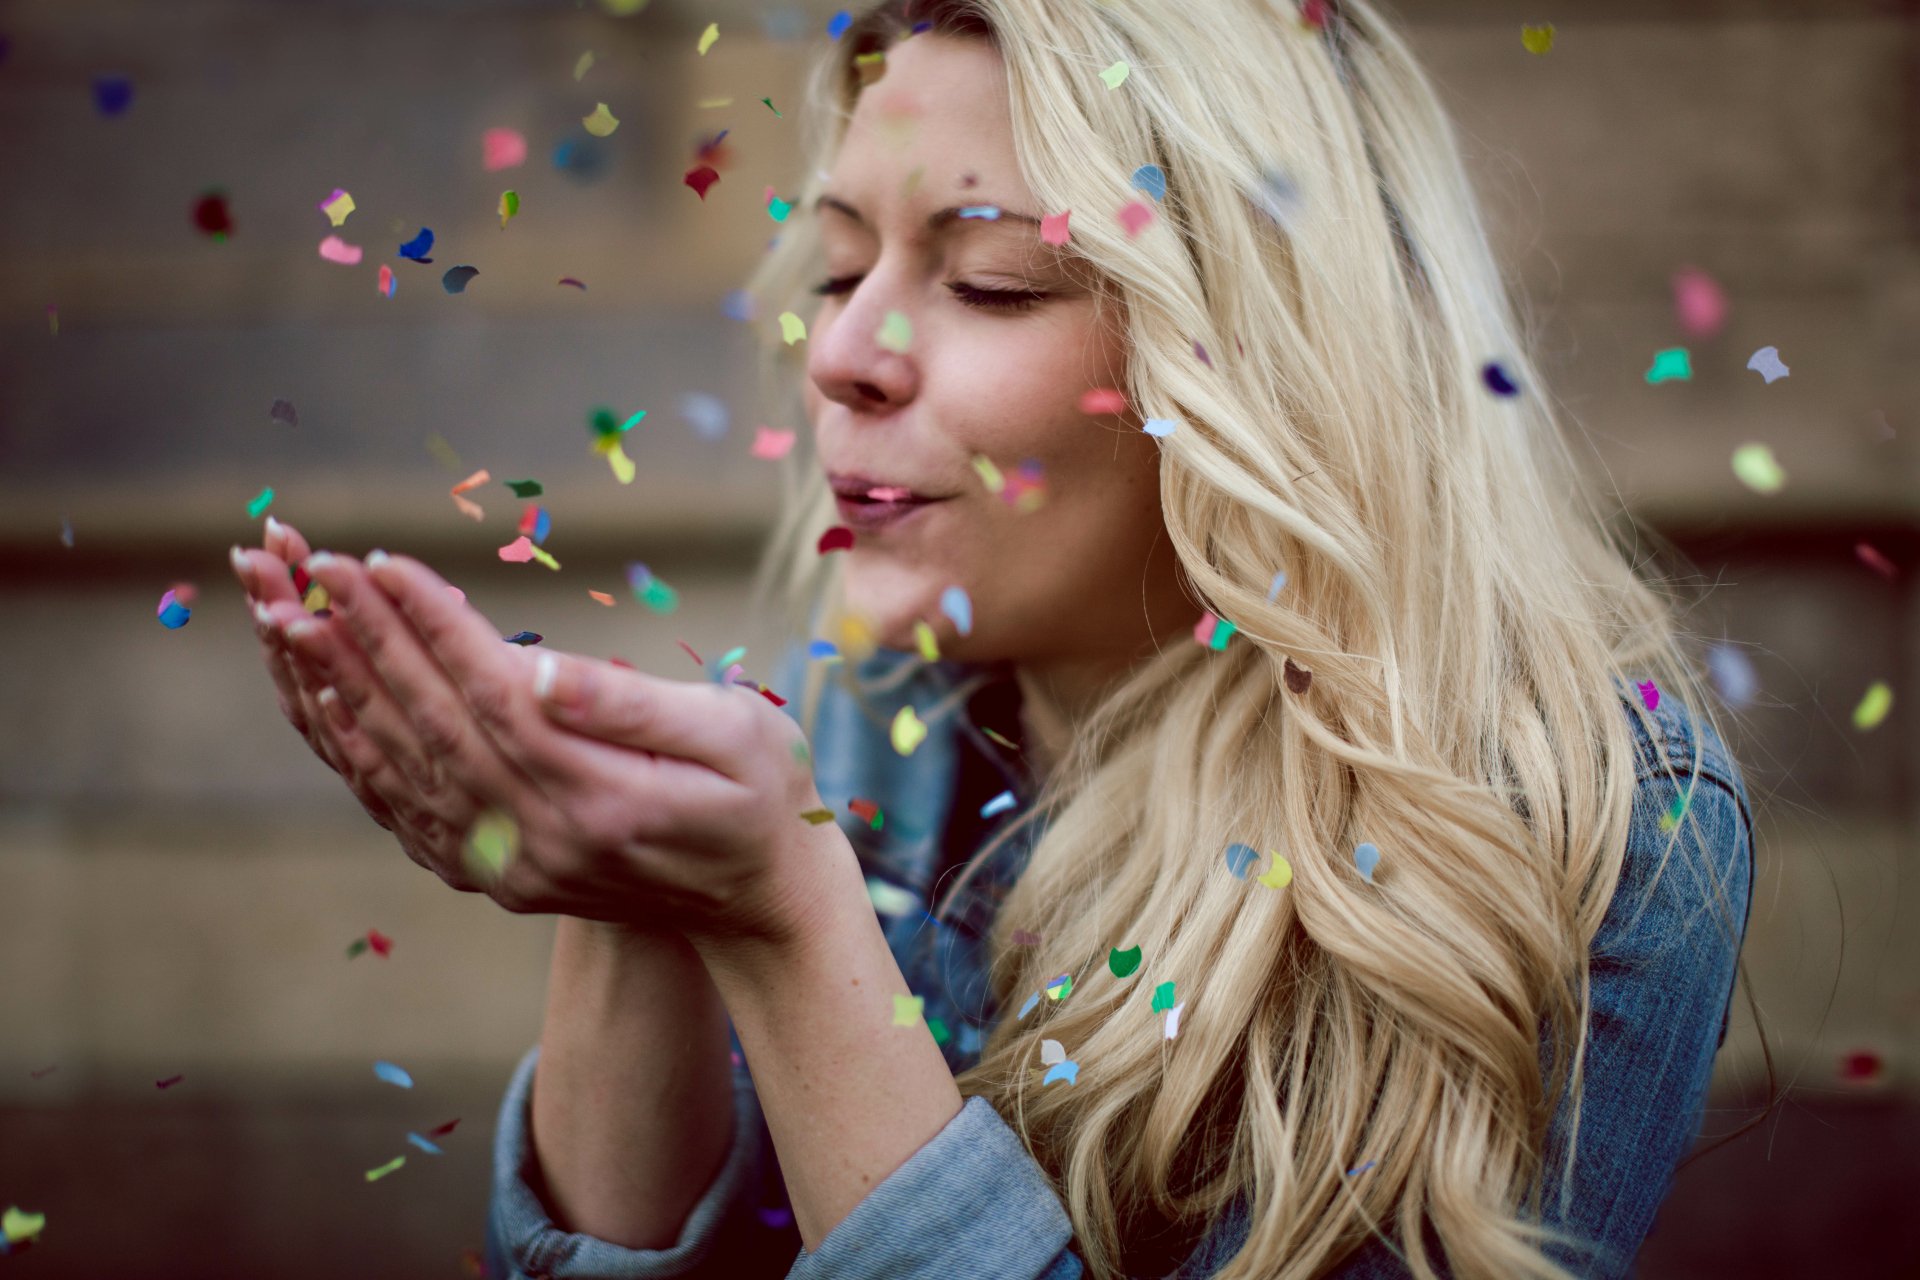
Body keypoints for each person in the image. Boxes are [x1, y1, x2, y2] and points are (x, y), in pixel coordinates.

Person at [227, 0, 1755, 1276]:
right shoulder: (861, 713)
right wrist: (629, 901)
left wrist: (784, 919)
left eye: (987, 279)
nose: (837, 351)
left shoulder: (1587, 824)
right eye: (835, 271)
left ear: (1260, 358)